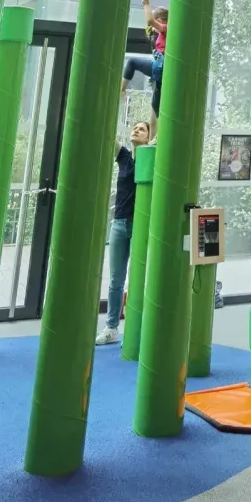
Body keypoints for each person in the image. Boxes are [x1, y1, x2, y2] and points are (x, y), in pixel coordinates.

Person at [96, 121, 151, 344]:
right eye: (134, 128)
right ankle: (111, 327)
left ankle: (139, 326)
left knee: (138, 278)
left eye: (142, 129)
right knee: (116, 279)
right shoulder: (125, 157)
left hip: (141, 224)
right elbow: (109, 137)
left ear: (150, 137)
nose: (136, 130)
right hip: (119, 223)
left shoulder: (151, 156)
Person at [120, 0, 168, 139]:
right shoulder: (159, 34)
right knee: (154, 110)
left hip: (161, 66)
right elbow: (150, 25)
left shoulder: (166, 28)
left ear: (160, 21)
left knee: (132, 62)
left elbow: (149, 21)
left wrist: (146, 4)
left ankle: (121, 91)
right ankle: (153, 142)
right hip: (160, 73)